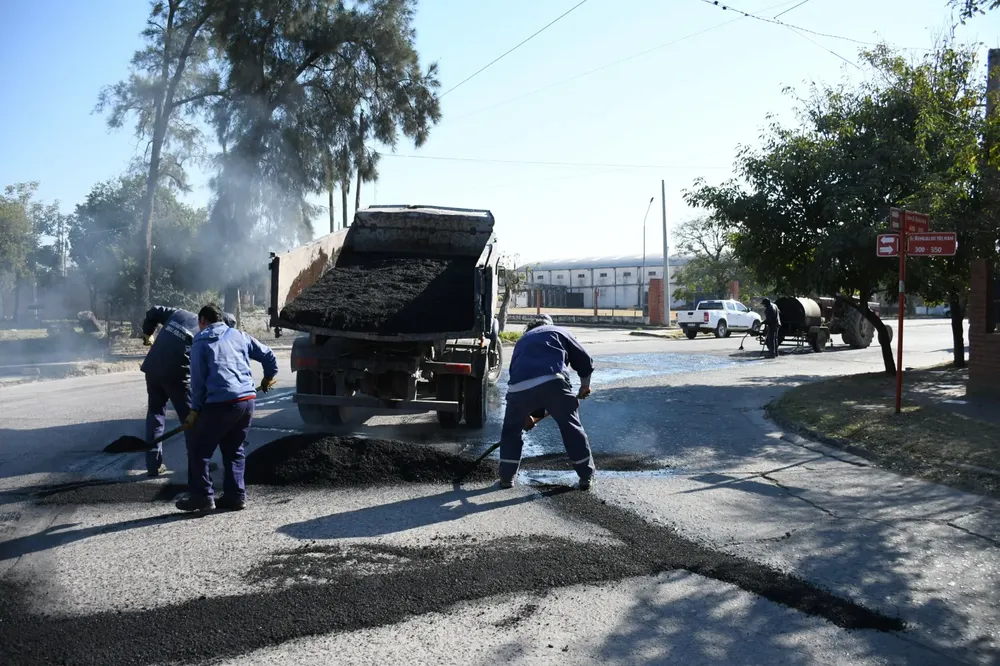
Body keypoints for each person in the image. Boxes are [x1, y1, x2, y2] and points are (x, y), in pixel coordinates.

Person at [174, 304, 279, 513]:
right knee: (234, 449)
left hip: (221, 403)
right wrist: (268, 377)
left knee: (198, 449)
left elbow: (197, 381)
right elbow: (268, 355)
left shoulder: (201, 341)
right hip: (246, 401)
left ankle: (202, 496)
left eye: (199, 323)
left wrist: (194, 410)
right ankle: (235, 496)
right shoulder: (239, 335)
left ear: (203, 320)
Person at [498, 314, 595, 491]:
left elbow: (522, 380)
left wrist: (525, 416)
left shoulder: (522, 340)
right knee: (571, 427)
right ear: (549, 324)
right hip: (554, 382)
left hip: (518, 390)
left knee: (512, 431)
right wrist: (584, 386)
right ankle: (585, 477)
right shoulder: (559, 331)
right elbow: (584, 360)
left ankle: (506, 478)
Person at [140, 305, 236, 477]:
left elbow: (154, 310)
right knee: (192, 420)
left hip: (153, 369)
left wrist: (148, 333)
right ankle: (197, 466)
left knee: (155, 414)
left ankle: (153, 465)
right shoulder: (211, 336)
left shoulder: (179, 313)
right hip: (177, 377)